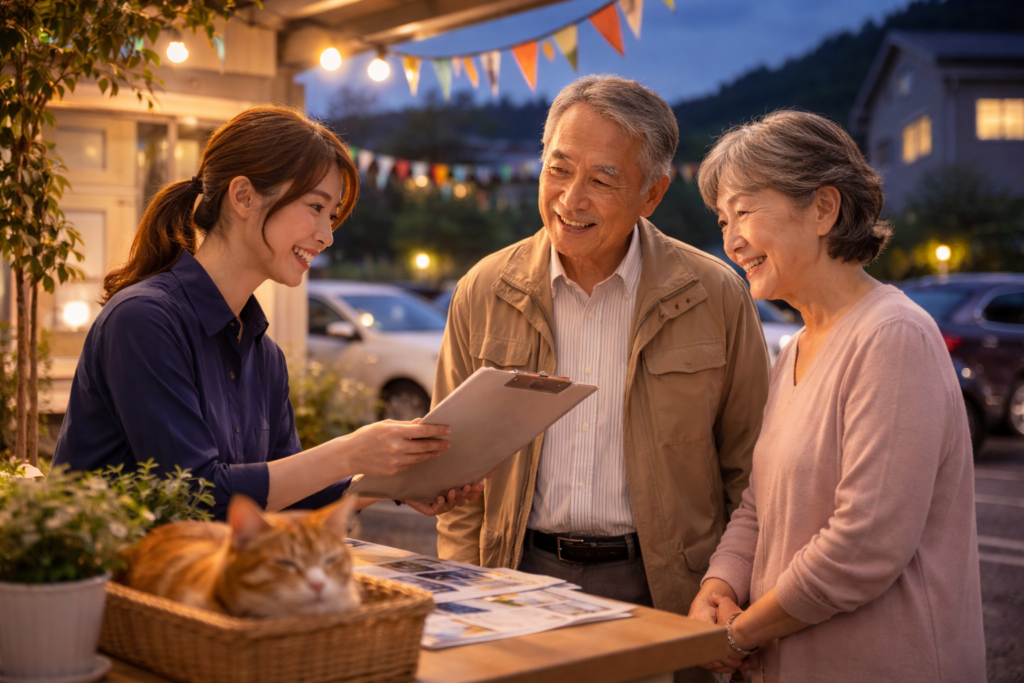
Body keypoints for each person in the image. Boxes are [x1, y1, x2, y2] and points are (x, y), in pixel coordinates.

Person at [434, 75, 770, 680]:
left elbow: (750, 470)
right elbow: (455, 469)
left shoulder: (715, 294)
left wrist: (733, 590)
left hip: (664, 586)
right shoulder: (484, 289)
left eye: (603, 179)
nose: (571, 199)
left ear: (652, 193)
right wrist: (465, 588)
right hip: (517, 576)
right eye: (558, 169)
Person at [52, 106, 480, 520]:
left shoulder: (264, 355)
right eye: (315, 207)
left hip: (206, 583)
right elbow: (196, 498)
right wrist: (348, 452)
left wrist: (391, 481)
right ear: (243, 197)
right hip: (110, 587)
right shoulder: (144, 320)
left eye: (331, 216)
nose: (327, 236)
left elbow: (284, 498)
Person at [686, 110, 986, 682]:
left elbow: (865, 544)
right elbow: (759, 506)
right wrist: (717, 587)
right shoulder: (796, 347)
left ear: (824, 208)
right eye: (723, 220)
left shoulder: (892, 335)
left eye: (745, 211)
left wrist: (740, 633)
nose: (731, 240)